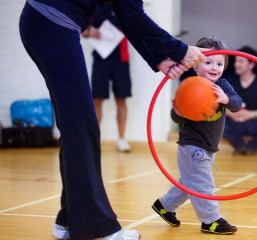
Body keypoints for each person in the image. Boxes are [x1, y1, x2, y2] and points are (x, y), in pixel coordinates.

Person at [19, 0, 206, 239]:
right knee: (82, 127)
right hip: (54, 24)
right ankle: (96, 228)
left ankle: (69, 220)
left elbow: (125, 16)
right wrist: (179, 50)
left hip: (44, 23)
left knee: (75, 126)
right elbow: (133, 15)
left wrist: (158, 59)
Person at [151, 37, 242, 235]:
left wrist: (225, 99)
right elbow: (175, 117)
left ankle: (164, 205)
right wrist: (180, 112)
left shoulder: (224, 86)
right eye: (208, 62)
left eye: (219, 63)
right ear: (195, 65)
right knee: (202, 183)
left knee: (190, 182)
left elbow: (237, 104)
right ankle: (211, 220)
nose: (214, 67)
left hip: (210, 146)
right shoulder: (190, 86)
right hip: (192, 146)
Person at [82, 4, 133, 152]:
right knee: (97, 99)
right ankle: (95, 138)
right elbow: (82, 30)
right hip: (101, 59)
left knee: (121, 99)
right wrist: (90, 32)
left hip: (121, 60)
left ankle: (122, 139)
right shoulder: (96, 7)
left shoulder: (124, 7)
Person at [223, 46, 257, 155]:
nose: (236, 64)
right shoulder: (229, 82)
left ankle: (253, 146)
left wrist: (250, 114)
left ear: (251, 65)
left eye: (241, 61)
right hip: (235, 122)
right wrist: (232, 114)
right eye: (236, 61)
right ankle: (240, 146)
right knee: (215, 119)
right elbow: (220, 106)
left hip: (254, 122)